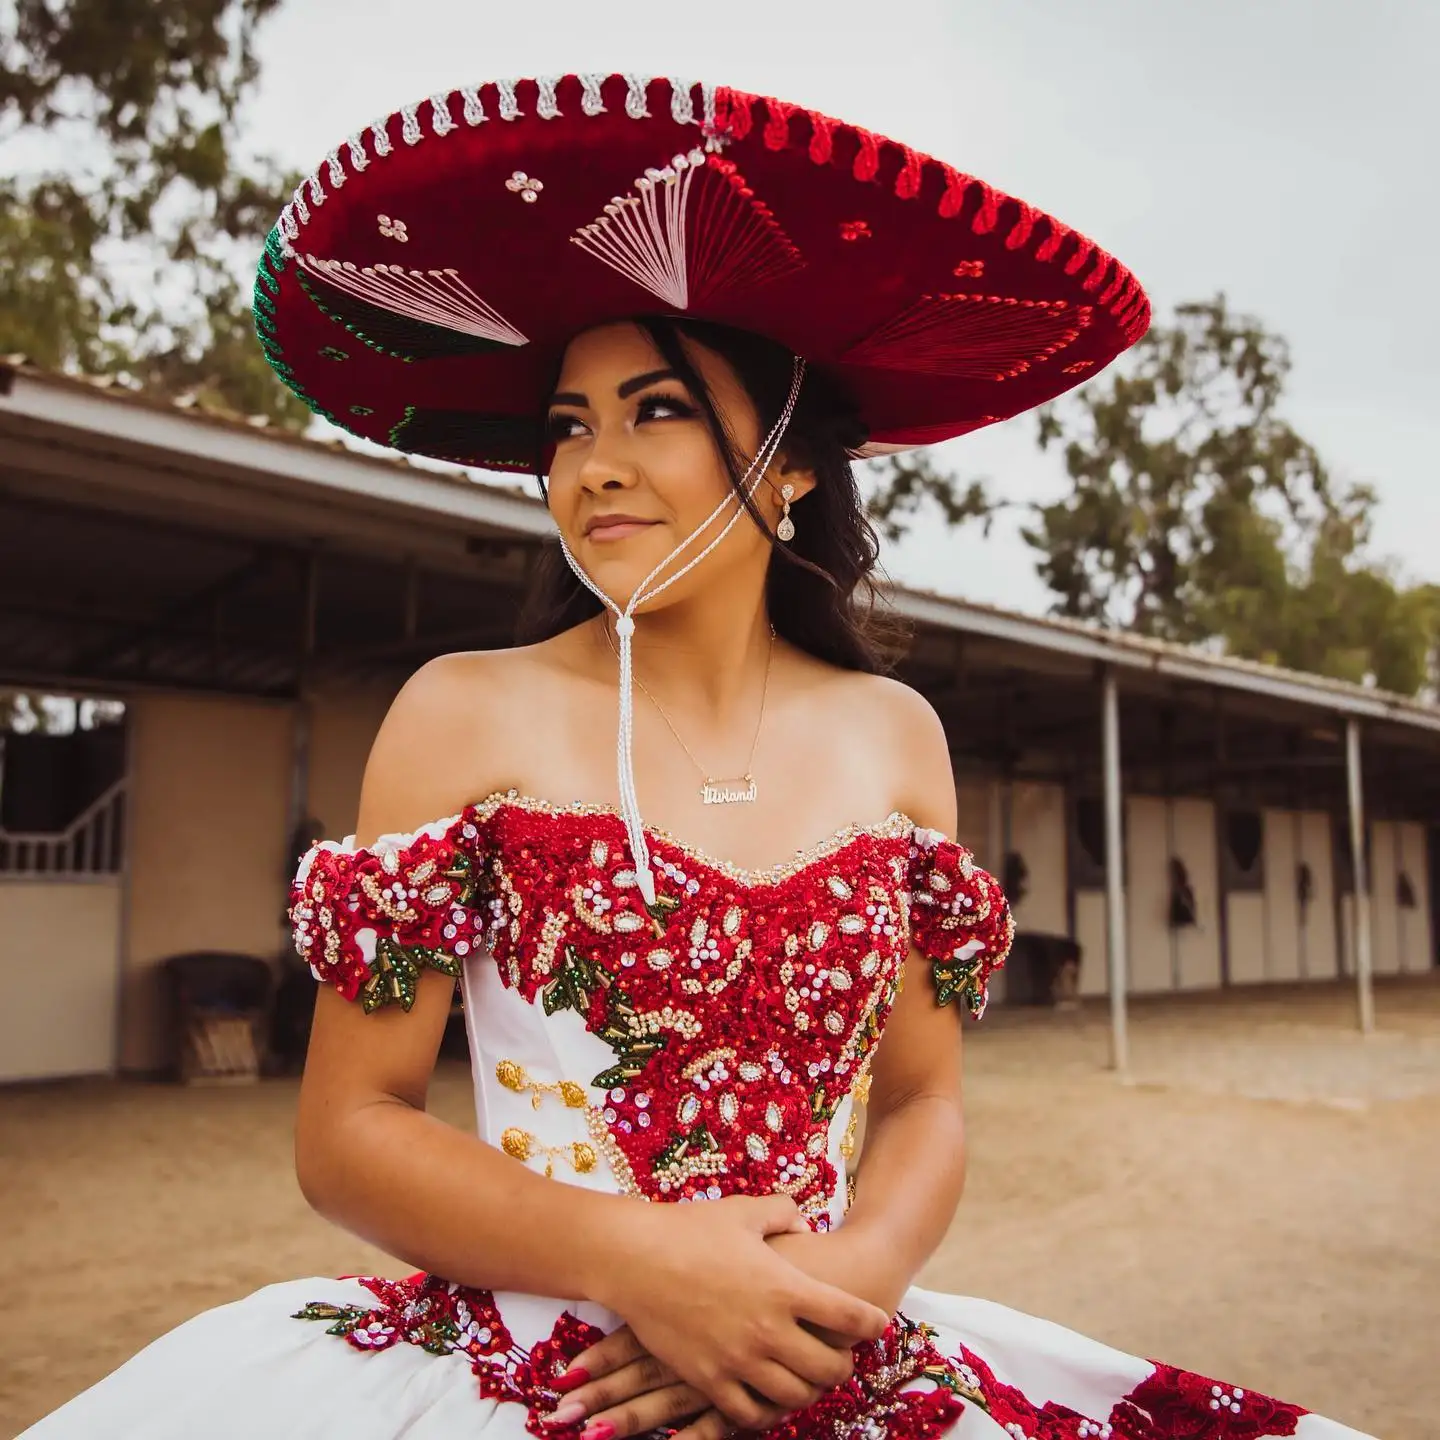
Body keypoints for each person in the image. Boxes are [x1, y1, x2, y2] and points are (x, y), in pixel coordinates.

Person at [21, 73, 1372, 1440]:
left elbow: (922, 1106)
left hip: (829, 1358)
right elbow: (352, 1127)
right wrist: (645, 1263)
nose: (594, 464)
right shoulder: (459, 714)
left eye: (655, 409)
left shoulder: (895, 736)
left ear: (790, 462)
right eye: (566, 424)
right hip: (538, 1379)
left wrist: (831, 1302)